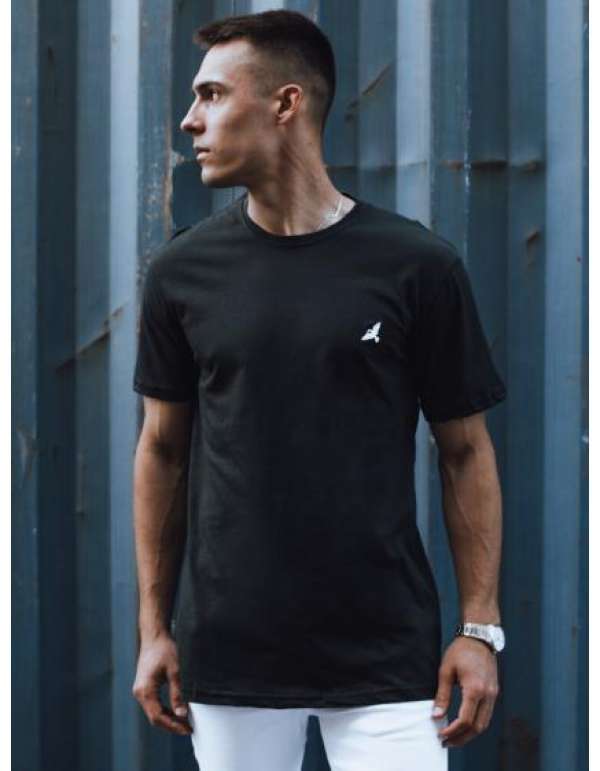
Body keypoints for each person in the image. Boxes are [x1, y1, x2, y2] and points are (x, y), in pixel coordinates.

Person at [131, 9, 507, 771]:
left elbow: (465, 450)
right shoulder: (182, 271)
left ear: (285, 103)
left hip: (386, 653)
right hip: (230, 654)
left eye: (212, 94)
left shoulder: (416, 265)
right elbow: (163, 450)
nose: (190, 120)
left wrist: (478, 627)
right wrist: (154, 628)